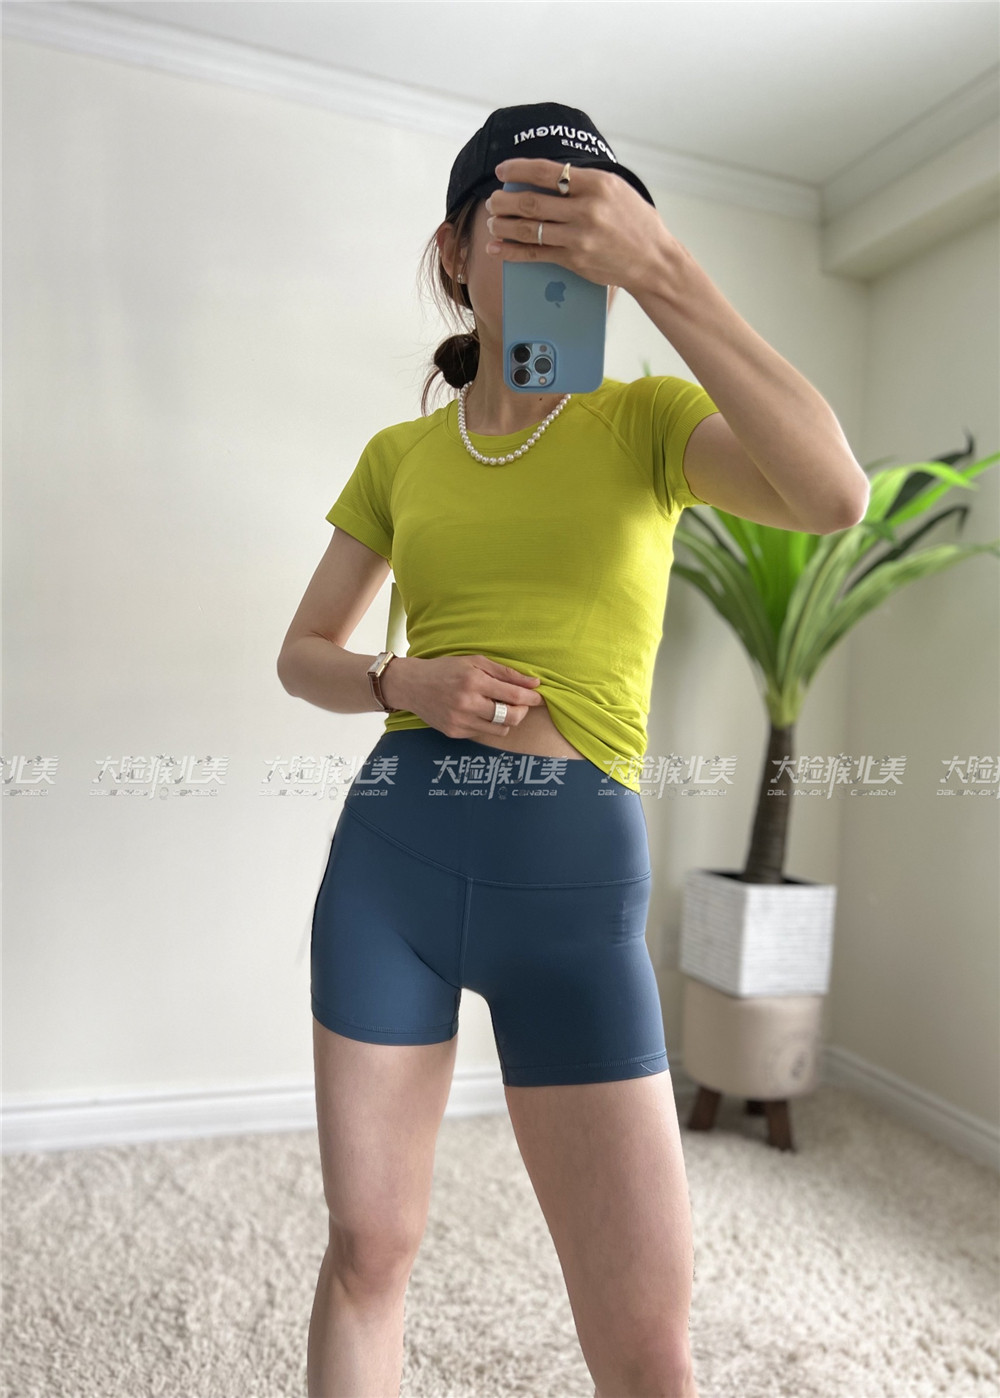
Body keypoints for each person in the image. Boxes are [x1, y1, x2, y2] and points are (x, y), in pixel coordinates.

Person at [279, 99, 868, 1398]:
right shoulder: (400, 455)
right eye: (520, 220)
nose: (555, 249)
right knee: (369, 1252)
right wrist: (400, 678)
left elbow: (835, 494)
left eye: (586, 228)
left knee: (646, 1340)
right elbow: (302, 652)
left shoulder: (649, 423)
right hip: (390, 870)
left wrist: (668, 273)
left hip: (572, 895)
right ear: (455, 250)